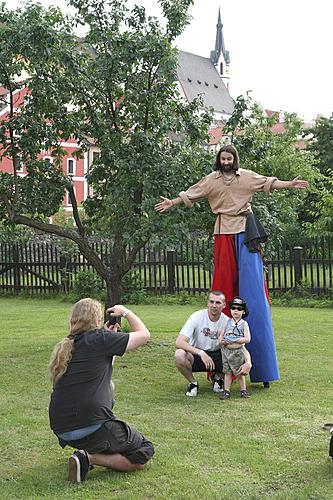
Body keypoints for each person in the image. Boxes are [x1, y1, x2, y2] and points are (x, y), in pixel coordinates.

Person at [155, 143, 309, 386]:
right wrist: (172, 203)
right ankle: (218, 369)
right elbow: (191, 193)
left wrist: (290, 184)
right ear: (219, 160)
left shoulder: (246, 176)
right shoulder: (212, 180)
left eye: (229, 158)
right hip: (222, 234)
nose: (226, 162)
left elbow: (268, 182)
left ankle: (262, 370)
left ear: (235, 159)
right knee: (223, 292)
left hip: (246, 234)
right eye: (223, 158)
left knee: (254, 297)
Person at [48, 298, 154, 483]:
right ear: (96, 319)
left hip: (62, 428)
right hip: (89, 425)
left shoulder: (67, 344)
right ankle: (87, 458)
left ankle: (92, 448)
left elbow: (100, 371)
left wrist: (109, 339)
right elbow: (144, 335)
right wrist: (126, 312)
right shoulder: (101, 340)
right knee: (143, 451)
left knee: (109, 385)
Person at [174, 290, 252, 396]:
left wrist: (248, 362)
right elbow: (179, 342)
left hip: (219, 355)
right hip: (197, 354)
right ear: (207, 303)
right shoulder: (196, 317)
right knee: (179, 354)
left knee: (235, 354)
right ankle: (193, 383)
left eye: (218, 303)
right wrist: (201, 353)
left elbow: (240, 346)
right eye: (211, 302)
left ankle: (218, 377)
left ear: (224, 305)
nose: (214, 305)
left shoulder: (228, 322)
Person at [219, 296, 251, 400]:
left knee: (239, 373)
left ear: (243, 311)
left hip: (238, 352)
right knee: (227, 373)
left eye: (239, 308)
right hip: (226, 351)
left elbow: (247, 339)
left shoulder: (244, 324)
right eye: (233, 308)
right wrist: (222, 341)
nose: (236, 310)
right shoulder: (227, 322)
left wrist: (235, 340)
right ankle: (226, 391)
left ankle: (243, 390)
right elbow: (221, 335)